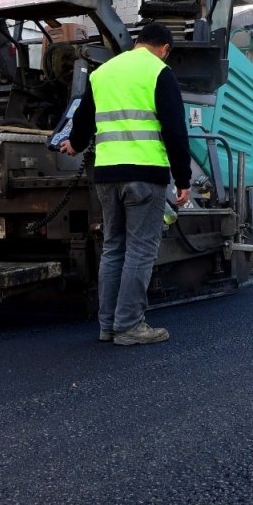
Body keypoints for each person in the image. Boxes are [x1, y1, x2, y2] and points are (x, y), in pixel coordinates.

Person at [58, 22, 191, 346]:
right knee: (140, 250)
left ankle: (108, 326)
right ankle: (130, 325)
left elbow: (83, 119)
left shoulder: (103, 72)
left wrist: (74, 144)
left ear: (137, 42)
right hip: (145, 175)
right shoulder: (159, 72)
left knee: (113, 248)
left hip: (106, 175)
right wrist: (184, 179)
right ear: (164, 48)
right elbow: (175, 130)